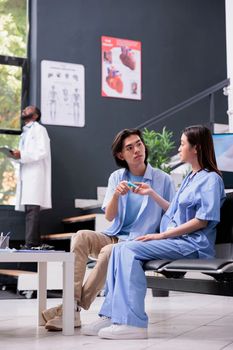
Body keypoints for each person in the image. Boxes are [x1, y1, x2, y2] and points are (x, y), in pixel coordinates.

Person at [83, 125, 226, 340]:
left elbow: (202, 221)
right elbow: (174, 210)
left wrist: (160, 235)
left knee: (128, 250)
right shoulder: (190, 177)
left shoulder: (211, 179)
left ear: (195, 149)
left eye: (182, 144)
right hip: (179, 241)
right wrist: (152, 194)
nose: (179, 148)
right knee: (119, 248)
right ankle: (112, 315)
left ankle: (134, 323)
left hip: (193, 244)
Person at [43, 128, 175, 331]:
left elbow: (173, 213)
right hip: (114, 235)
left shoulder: (163, 179)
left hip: (140, 242)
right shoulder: (117, 177)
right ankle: (72, 308)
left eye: (139, 144)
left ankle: (71, 309)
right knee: (80, 237)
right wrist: (115, 195)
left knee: (107, 253)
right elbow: (109, 216)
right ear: (121, 155)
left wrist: (153, 198)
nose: (137, 150)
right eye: (129, 148)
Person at [11, 105, 52, 249]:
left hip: (35, 174)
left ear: (35, 116)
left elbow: (42, 152)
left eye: (28, 109)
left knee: (32, 209)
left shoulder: (39, 130)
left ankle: (31, 244)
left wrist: (21, 155)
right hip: (26, 174)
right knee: (30, 210)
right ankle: (34, 243)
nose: (24, 110)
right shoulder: (25, 133)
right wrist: (15, 156)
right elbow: (23, 154)